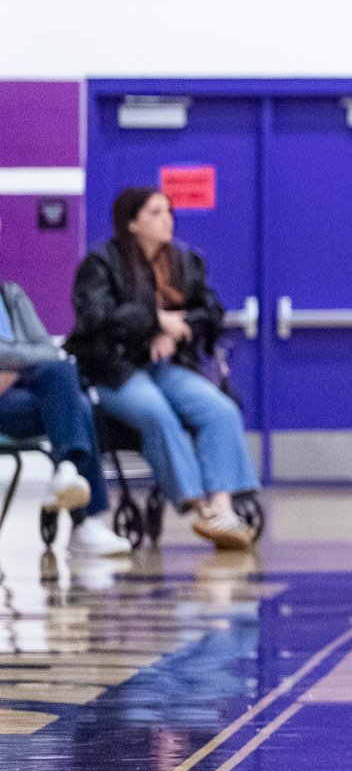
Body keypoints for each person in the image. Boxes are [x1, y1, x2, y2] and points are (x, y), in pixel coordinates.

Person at [70, 187, 259, 550]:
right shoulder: (101, 263)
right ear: (132, 223)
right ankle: (199, 506)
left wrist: (178, 328)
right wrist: (155, 320)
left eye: (169, 211)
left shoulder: (184, 261)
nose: (167, 220)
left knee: (220, 409)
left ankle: (222, 508)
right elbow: (96, 318)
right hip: (113, 368)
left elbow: (210, 311)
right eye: (155, 213)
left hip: (162, 365)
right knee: (158, 413)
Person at [0, 240, 128, 556]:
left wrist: (13, 365)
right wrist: (22, 359)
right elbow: (39, 353)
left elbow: (47, 348)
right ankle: (85, 521)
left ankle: (68, 472)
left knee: (67, 384)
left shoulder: (10, 293)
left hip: (25, 388)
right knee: (74, 402)